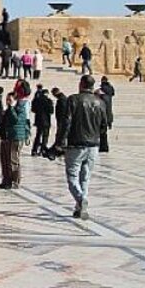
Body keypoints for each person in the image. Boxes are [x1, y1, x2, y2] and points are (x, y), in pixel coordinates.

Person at [64, 75, 107, 220]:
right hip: (93, 146)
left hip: (76, 144)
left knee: (72, 177)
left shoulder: (73, 100)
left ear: (81, 84)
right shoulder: (100, 102)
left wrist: (60, 142)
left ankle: (81, 198)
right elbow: (103, 126)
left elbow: (67, 123)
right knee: (85, 177)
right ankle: (79, 207)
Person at [0, 92, 29, 189]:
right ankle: (6, 180)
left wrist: (11, 107)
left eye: (10, 100)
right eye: (7, 99)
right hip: (6, 137)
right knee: (5, 160)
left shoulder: (19, 109)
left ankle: (15, 181)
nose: (7, 101)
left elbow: (15, 120)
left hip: (15, 137)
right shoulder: (9, 109)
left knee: (13, 160)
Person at [31, 88, 54, 157]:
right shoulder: (48, 101)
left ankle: (34, 150)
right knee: (45, 136)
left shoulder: (37, 100)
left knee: (38, 135)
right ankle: (42, 150)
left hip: (38, 121)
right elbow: (51, 111)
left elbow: (33, 110)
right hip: (46, 121)